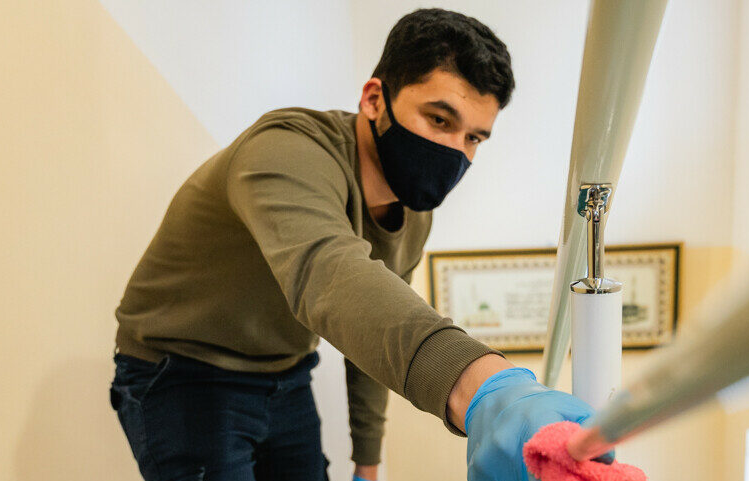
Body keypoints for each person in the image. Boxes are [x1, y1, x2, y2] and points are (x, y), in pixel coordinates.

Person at [109, 8, 610, 481]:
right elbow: (330, 275)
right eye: (440, 119)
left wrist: (368, 463)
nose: (455, 151)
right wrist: (483, 387)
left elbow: (371, 331)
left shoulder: (414, 211)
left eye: (473, 138)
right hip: (182, 371)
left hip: (285, 371)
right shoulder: (284, 151)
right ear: (374, 99)